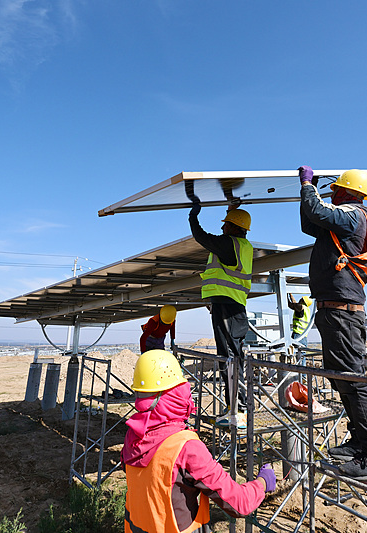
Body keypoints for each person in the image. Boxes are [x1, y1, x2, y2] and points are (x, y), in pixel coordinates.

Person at [298, 165, 367, 481]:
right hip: (334, 311)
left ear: (349, 191)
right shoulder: (339, 222)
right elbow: (310, 220)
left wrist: (308, 186)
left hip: (343, 313)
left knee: (354, 379)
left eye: (336, 189)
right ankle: (360, 440)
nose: (332, 194)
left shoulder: (354, 213)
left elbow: (315, 209)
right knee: (343, 379)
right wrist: (308, 192)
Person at [122, 349, 276, 533]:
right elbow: (239, 504)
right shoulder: (185, 447)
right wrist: (262, 483)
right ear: (174, 394)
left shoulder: (134, 436)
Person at [189, 200, 253, 428]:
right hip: (232, 306)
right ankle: (236, 408)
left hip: (228, 307)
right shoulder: (241, 245)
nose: (222, 227)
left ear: (235, 228)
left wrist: (193, 216)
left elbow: (201, 236)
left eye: (226, 224)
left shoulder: (229, 245)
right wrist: (231, 210)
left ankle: (239, 411)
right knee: (232, 358)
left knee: (230, 359)